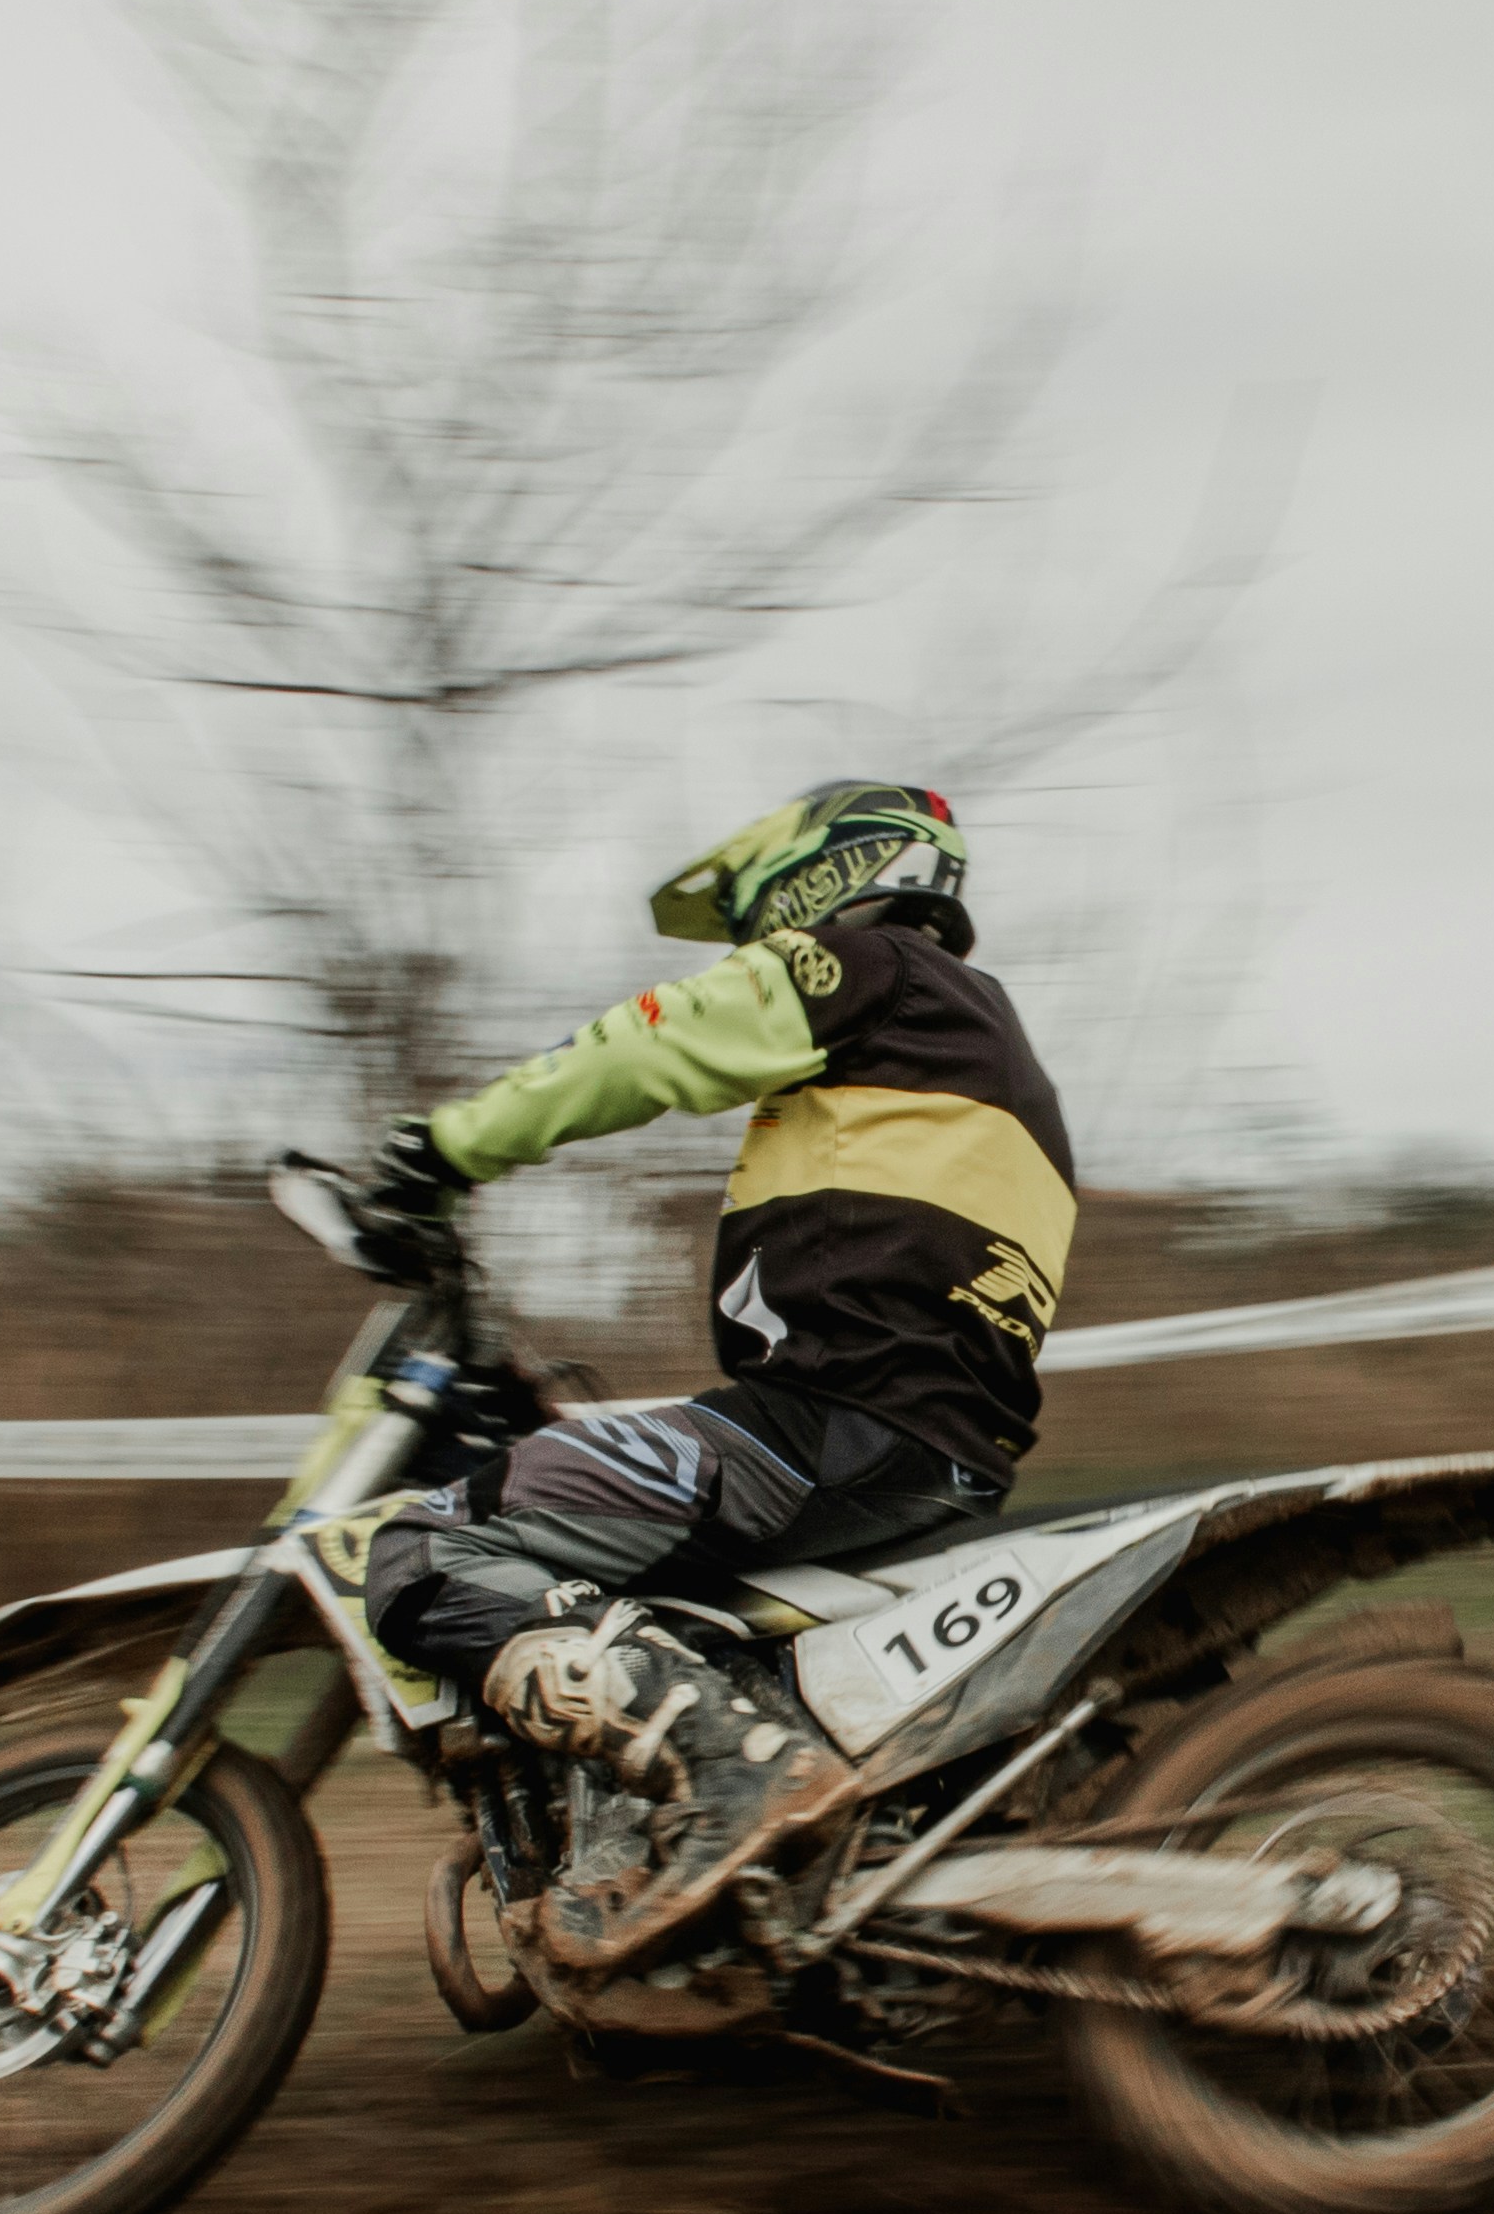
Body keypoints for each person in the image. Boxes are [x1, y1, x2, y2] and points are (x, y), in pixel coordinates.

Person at [347, 781, 1078, 1970]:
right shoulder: (961, 1043)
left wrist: (448, 1146)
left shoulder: (874, 970)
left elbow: (652, 1042)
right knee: (557, 1495)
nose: (749, 949)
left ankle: (735, 1770)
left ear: (823, 875)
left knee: (428, 1549)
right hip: (902, 1438)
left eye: (754, 923)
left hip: (827, 1427)